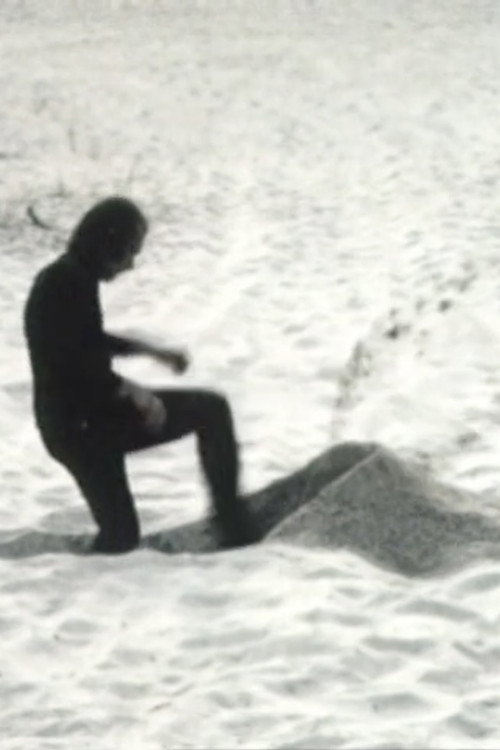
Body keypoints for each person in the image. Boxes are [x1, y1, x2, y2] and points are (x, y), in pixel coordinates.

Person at [24, 196, 260, 553]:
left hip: (81, 422)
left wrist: (152, 352)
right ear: (106, 245)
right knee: (121, 537)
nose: (131, 264)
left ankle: (232, 526)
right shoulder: (63, 284)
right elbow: (74, 367)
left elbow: (88, 341)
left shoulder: (70, 277)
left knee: (209, 409)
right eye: (129, 252)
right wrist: (136, 395)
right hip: (81, 429)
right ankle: (234, 529)